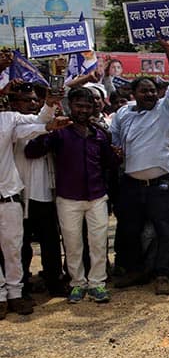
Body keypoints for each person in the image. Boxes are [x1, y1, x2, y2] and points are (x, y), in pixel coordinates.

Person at [24, 87, 119, 303]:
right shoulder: (60, 132)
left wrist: (117, 155)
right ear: (70, 107)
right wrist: (47, 128)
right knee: (72, 243)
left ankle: (97, 283)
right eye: (79, 106)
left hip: (97, 196)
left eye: (87, 106)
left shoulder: (99, 134)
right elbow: (31, 151)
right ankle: (77, 283)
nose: (83, 110)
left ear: (93, 108)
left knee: (98, 242)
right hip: (68, 198)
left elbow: (110, 164)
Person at [109, 37, 169, 295]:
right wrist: (116, 149)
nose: (150, 94)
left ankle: (163, 274)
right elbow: (115, 138)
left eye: (153, 90)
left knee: (165, 231)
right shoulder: (123, 113)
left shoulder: (166, 109)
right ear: (134, 94)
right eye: (144, 91)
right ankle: (135, 271)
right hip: (131, 185)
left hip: (160, 185)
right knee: (130, 231)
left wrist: (168, 49)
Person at [10, 83, 64, 302]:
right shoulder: (10, 125)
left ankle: (54, 284)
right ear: (15, 104)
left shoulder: (43, 123)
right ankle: (20, 288)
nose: (32, 103)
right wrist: (47, 123)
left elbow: (42, 122)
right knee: (20, 246)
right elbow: (35, 130)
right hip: (20, 195)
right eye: (26, 100)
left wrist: (50, 108)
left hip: (46, 195)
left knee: (51, 243)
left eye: (35, 100)